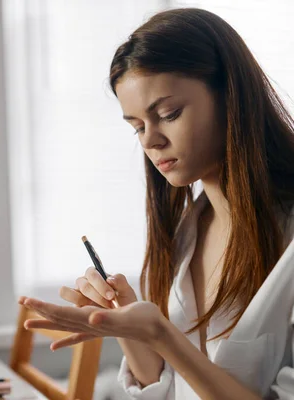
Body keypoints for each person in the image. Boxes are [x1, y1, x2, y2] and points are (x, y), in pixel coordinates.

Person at [18, 7, 294, 400]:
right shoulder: (187, 230)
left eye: (168, 114)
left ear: (231, 94)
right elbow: (167, 388)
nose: (150, 141)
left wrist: (163, 335)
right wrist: (126, 326)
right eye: (137, 127)